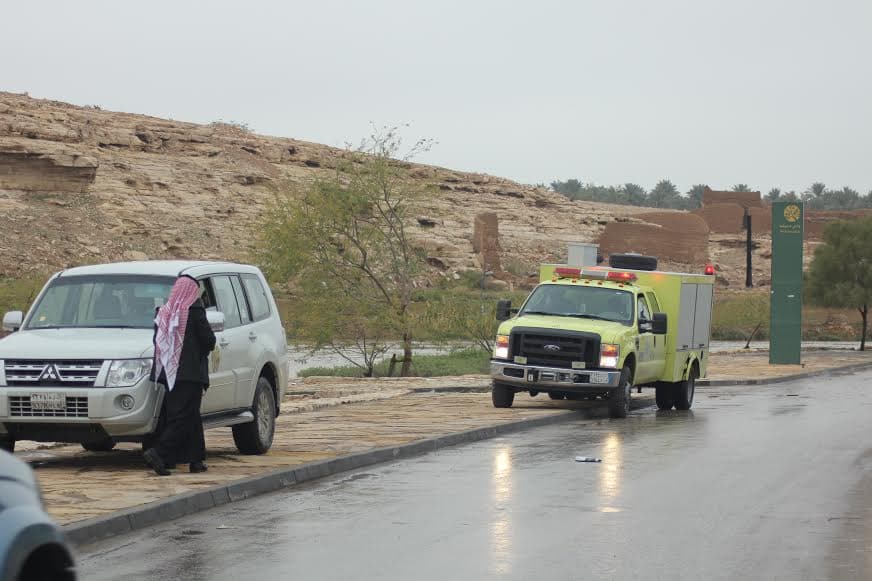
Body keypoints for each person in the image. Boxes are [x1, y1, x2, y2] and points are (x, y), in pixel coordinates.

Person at [143, 276, 216, 476]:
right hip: (190, 374)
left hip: (169, 373)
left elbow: (157, 341)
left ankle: (196, 460)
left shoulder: (163, 313)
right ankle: (158, 453)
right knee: (182, 417)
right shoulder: (195, 311)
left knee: (190, 416)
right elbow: (209, 340)